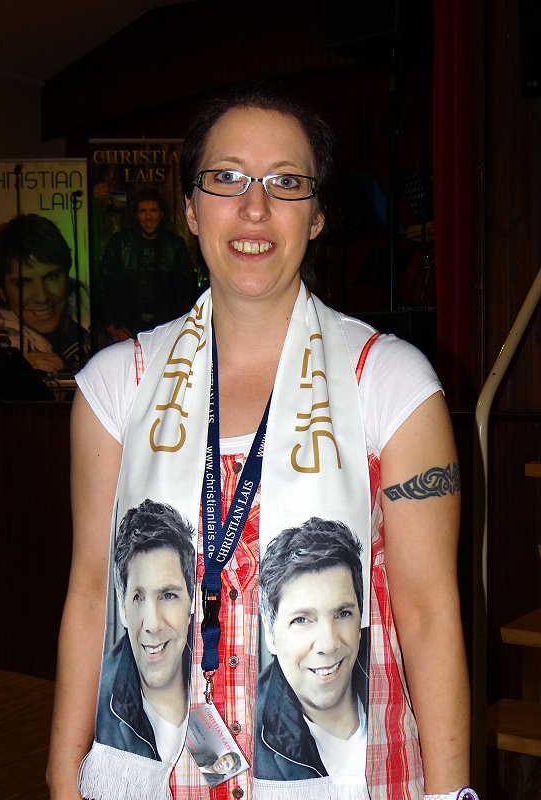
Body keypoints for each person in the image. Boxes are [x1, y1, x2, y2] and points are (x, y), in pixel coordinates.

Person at [47, 84, 473, 800]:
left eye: (285, 182)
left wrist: (453, 794)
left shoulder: (390, 382)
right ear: (190, 207)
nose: (254, 208)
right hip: (161, 774)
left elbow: (430, 613)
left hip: (356, 774)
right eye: (227, 177)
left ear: (318, 214)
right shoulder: (117, 387)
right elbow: (93, 591)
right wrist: (65, 773)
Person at [255, 518, 366, 780]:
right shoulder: (242, 734)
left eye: (343, 613)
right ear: (270, 634)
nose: (328, 644)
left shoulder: (401, 681)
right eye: (301, 620)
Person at [95, 499, 195, 763]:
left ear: (192, 601)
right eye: (138, 597)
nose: (152, 624)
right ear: (122, 607)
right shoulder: (97, 707)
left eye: (168, 595)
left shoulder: (225, 674)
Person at [0, 213, 90, 374]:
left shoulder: (97, 329)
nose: (42, 297)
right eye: (23, 283)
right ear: (2, 291)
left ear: (67, 277)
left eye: (51, 277)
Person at [99, 187, 198, 341]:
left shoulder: (175, 246)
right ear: (136, 215)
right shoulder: (120, 243)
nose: (148, 217)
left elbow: (188, 290)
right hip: (127, 327)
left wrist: (182, 328)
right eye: (143, 211)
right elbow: (102, 284)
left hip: (165, 328)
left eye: (153, 210)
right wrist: (110, 325)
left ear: (161, 214)